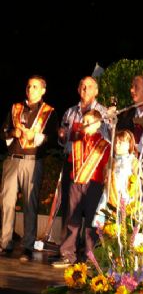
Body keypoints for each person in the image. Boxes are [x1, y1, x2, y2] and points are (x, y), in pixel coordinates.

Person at [1, 76, 58, 261]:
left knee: (30, 204)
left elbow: (52, 138)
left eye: (35, 87)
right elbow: (3, 131)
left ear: (43, 90)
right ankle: (5, 243)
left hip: (33, 160)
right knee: (6, 202)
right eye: (28, 86)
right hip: (12, 159)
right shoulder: (15, 108)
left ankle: (27, 245)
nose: (30, 89)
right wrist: (13, 132)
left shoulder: (49, 112)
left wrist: (36, 136)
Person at [52, 110, 110, 267]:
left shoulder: (104, 145)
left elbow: (106, 167)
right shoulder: (77, 142)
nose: (83, 124)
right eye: (83, 121)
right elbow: (72, 160)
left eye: (87, 122)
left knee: (92, 220)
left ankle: (91, 256)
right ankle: (67, 253)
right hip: (76, 182)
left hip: (95, 185)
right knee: (73, 218)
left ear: (98, 124)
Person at [57, 76, 110, 242]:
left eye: (89, 86)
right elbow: (63, 140)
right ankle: (67, 251)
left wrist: (90, 132)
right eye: (82, 86)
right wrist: (62, 136)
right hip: (73, 165)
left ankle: (88, 253)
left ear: (97, 91)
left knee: (91, 212)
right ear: (78, 89)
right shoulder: (70, 112)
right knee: (70, 210)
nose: (85, 89)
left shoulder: (104, 112)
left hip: (93, 170)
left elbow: (108, 139)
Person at [117, 75, 143, 144]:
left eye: (136, 87)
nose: (132, 90)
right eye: (132, 86)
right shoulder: (126, 112)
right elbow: (118, 134)